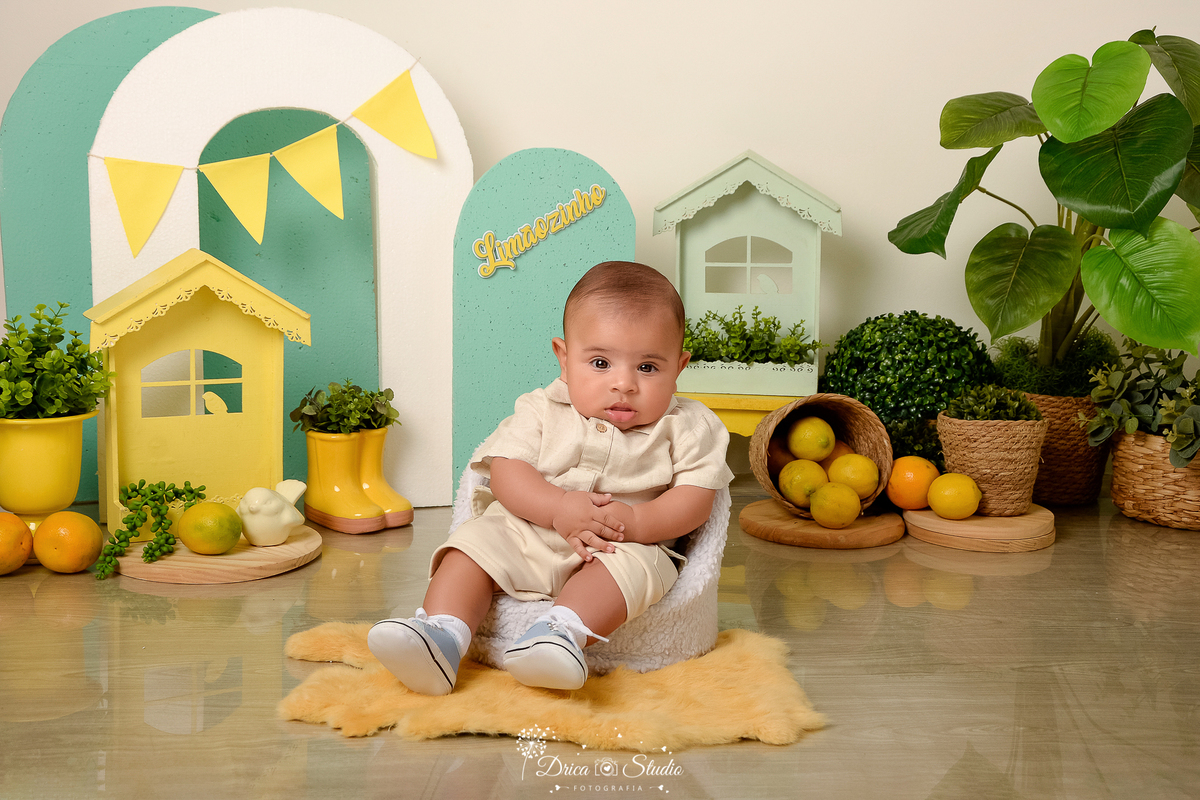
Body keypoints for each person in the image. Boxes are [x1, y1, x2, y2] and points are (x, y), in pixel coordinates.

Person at [368, 261, 733, 694]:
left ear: (679, 366)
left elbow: (696, 498)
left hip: (619, 544)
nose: (623, 384)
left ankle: (559, 634)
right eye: (600, 362)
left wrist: (637, 523)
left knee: (641, 569)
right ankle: (441, 634)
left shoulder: (689, 425)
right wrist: (557, 506)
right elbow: (506, 472)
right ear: (564, 358)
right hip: (530, 531)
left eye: (648, 367)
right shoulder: (541, 409)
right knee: (472, 546)